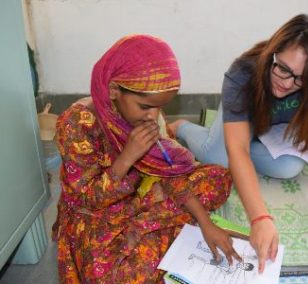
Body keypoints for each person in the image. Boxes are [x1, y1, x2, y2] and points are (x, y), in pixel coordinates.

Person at [170, 14, 308, 272]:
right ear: (273, 52)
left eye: (300, 78)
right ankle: (183, 126)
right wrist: (260, 218)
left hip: (270, 128)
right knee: (221, 159)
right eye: (282, 68)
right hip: (242, 118)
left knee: (289, 169)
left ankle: (233, 141)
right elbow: (238, 149)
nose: (285, 83)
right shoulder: (243, 73)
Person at [52, 34, 241, 283]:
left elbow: (169, 174)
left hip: (143, 195)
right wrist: (128, 157)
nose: (153, 117)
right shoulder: (76, 124)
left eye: (159, 107)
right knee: (113, 276)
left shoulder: (147, 117)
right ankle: (153, 230)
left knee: (218, 177)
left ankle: (148, 229)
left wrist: (206, 224)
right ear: (113, 91)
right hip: (97, 211)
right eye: (145, 107)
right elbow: (86, 198)